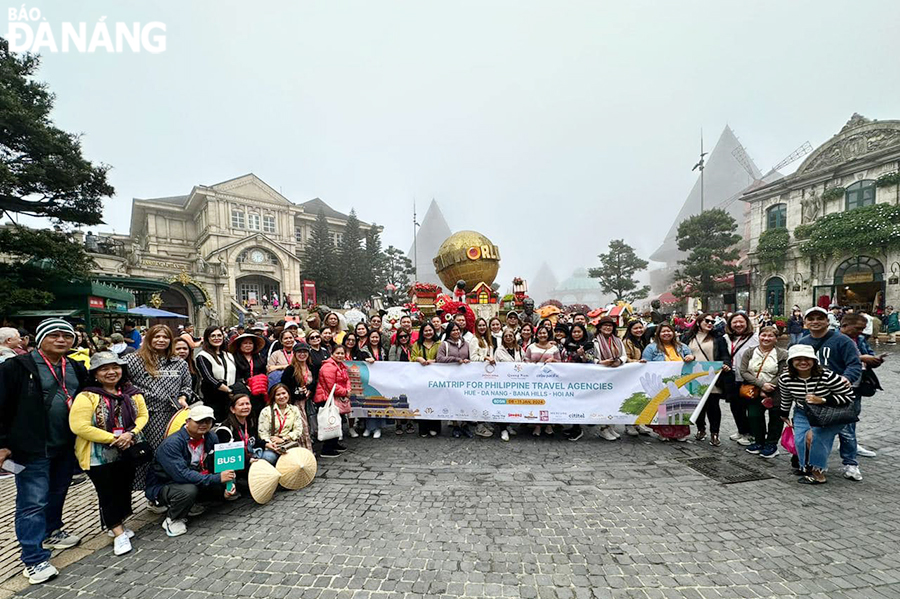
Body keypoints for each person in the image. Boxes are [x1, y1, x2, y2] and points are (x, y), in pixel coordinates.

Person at [0, 319, 87, 584]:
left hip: (65, 445)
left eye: (66, 336)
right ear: (40, 338)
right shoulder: (16, 366)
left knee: (57, 492)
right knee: (32, 502)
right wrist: (2, 444)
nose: (61, 340)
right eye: (54, 335)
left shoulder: (76, 367)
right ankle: (34, 559)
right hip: (32, 446)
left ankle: (52, 530)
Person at [69, 352, 149, 555]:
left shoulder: (132, 392)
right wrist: (114, 439)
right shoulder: (87, 396)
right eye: (104, 369)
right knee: (107, 492)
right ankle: (118, 532)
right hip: (97, 455)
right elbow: (79, 426)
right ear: (95, 373)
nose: (111, 372)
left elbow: (142, 415)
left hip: (127, 450)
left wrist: (130, 433)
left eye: (115, 367)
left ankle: (118, 524)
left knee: (123, 488)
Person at [797, 307, 866, 479]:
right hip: (813, 395)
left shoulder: (843, 341)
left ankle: (851, 464)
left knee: (846, 431)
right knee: (811, 432)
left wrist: (846, 378)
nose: (815, 321)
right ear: (805, 323)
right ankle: (812, 466)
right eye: (810, 318)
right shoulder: (802, 342)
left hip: (837, 395)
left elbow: (854, 364)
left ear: (828, 321)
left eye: (819, 318)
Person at [146, 404, 235, 536]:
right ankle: (172, 518)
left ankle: (192, 504)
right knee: (188, 491)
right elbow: (181, 475)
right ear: (187, 422)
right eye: (199, 421)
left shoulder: (211, 437)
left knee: (222, 486)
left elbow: (217, 464)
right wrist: (217, 478)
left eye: (208, 421)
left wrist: (227, 484)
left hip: (194, 477)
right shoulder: (172, 444)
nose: (204, 424)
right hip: (166, 484)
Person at [124, 324, 193, 491]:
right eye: (157, 337)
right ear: (149, 339)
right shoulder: (134, 360)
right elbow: (124, 384)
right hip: (148, 417)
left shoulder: (179, 363)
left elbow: (187, 385)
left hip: (174, 416)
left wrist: (183, 397)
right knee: (153, 455)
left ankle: (174, 489)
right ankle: (153, 491)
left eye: (165, 337)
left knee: (175, 453)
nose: (161, 340)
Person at [778, 345, 854, 485]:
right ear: (791, 362)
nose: (803, 362)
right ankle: (806, 466)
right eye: (798, 359)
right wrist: (784, 413)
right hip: (802, 412)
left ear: (814, 360)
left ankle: (818, 474)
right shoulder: (785, 378)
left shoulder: (826, 376)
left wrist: (823, 400)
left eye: (807, 358)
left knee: (813, 438)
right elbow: (786, 397)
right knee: (800, 440)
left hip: (828, 412)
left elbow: (849, 396)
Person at [683, 314, 731, 446]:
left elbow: (724, 355)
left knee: (713, 406)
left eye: (712, 321)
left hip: (712, 377)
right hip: (694, 377)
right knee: (698, 406)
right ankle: (701, 429)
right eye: (707, 321)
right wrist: (686, 357)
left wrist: (726, 364)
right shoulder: (688, 337)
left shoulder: (718, 338)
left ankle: (715, 433)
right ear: (698, 322)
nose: (710, 323)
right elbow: (681, 352)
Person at [739, 326, 787, 458]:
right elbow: (743, 371)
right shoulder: (749, 352)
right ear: (759, 336)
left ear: (776, 339)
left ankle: (771, 444)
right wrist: (761, 385)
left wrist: (770, 386)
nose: (766, 338)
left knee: (775, 418)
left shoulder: (782, 354)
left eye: (770, 336)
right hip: (753, 389)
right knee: (754, 416)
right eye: (763, 335)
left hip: (776, 390)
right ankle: (759, 441)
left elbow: (783, 373)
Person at [642, 323, 694, 441]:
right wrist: (644, 362)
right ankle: (663, 432)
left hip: (679, 383)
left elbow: (690, 356)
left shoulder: (682, 346)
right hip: (661, 384)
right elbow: (646, 363)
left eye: (669, 331)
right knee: (663, 407)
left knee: (679, 406)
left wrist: (691, 357)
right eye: (663, 331)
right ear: (658, 334)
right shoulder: (651, 348)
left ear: (674, 333)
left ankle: (680, 433)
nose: (666, 334)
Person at [215, 391, 269, 487]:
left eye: (247, 404)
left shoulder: (250, 422)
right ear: (233, 409)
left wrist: (267, 444)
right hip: (235, 465)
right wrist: (247, 461)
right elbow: (227, 456)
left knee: (270, 456)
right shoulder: (225, 429)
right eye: (241, 405)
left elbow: (254, 440)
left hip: (250, 456)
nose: (245, 407)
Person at [722, 313, 758, 446]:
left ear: (747, 323)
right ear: (730, 324)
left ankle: (752, 434)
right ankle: (742, 430)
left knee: (749, 407)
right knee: (735, 406)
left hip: (748, 377)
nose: (738, 325)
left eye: (741, 322)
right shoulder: (726, 338)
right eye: (734, 322)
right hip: (731, 377)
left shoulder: (755, 338)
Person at [436, 322, 472, 439]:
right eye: (453, 330)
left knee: (465, 401)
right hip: (450, 378)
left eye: (457, 330)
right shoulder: (444, 344)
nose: (456, 332)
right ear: (449, 333)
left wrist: (467, 361)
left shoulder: (466, 344)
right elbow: (439, 359)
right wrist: (456, 359)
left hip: (464, 378)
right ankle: (456, 425)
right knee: (453, 401)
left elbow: (470, 358)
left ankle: (465, 425)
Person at [314, 345, 350, 457]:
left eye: (342, 353)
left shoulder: (340, 365)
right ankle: (327, 449)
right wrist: (345, 392)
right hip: (326, 398)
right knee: (330, 422)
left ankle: (334, 444)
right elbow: (332, 386)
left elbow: (346, 380)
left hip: (335, 397)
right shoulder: (328, 366)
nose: (340, 355)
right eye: (337, 353)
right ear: (332, 354)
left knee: (336, 421)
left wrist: (347, 389)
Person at [195, 327, 236, 423]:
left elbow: (234, 374)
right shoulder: (203, 356)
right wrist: (228, 390)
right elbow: (208, 377)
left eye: (219, 335)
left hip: (230, 398)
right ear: (207, 338)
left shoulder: (228, 355)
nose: (216, 338)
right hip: (213, 399)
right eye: (213, 336)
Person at [524, 326, 559, 437]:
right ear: (537, 335)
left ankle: (549, 424)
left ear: (548, 334)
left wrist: (553, 360)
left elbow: (560, 362)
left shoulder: (554, 348)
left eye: (545, 333)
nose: (542, 335)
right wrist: (531, 366)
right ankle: (537, 425)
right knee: (536, 402)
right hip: (534, 380)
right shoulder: (531, 347)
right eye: (540, 333)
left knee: (549, 403)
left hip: (550, 380)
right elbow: (526, 359)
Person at [259, 382, 310, 453]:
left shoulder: (294, 409)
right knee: (269, 457)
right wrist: (272, 443)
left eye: (284, 393)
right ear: (273, 397)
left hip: (289, 444)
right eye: (278, 394)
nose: (282, 397)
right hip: (272, 445)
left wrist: (284, 439)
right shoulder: (266, 411)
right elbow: (263, 434)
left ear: (288, 394)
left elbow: (298, 430)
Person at [281, 342, 316, 445]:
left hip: (309, 402)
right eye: (299, 352)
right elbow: (285, 386)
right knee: (300, 425)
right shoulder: (290, 369)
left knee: (310, 425)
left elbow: (314, 382)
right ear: (295, 354)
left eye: (304, 352)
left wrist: (309, 390)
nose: (302, 354)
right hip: (296, 402)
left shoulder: (311, 367)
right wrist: (298, 393)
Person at [412, 323, 441, 438]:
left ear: (434, 331)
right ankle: (423, 427)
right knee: (422, 402)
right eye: (426, 331)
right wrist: (418, 359)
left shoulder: (440, 344)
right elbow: (411, 358)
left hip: (436, 379)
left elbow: (443, 358)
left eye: (430, 330)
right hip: (421, 379)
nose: (428, 332)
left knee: (435, 402)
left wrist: (434, 361)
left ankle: (434, 427)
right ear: (422, 333)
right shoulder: (416, 345)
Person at [230, 333, 268, 418]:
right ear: (240, 345)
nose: (248, 345)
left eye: (250, 343)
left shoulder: (258, 358)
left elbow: (263, 373)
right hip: (241, 391)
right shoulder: (234, 358)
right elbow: (235, 375)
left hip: (258, 391)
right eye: (245, 343)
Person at [389, 329, 416, 435]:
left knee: (410, 400)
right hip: (398, 378)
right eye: (401, 337)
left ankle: (409, 422)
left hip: (411, 378)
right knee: (398, 401)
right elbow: (391, 363)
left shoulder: (412, 347)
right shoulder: (394, 348)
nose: (403, 338)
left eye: (405, 336)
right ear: (397, 338)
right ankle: (398, 423)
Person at [173, 338, 200, 405]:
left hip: (191, 403)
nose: (182, 351)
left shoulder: (193, 364)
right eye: (178, 349)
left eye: (185, 348)